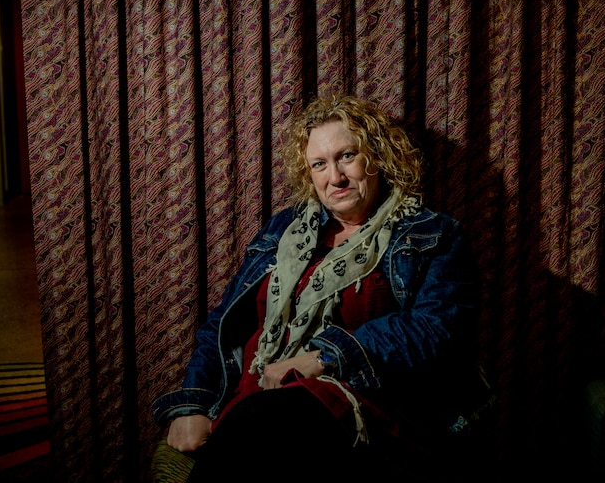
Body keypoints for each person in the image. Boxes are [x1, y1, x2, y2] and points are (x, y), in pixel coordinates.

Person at [151, 95, 485, 481]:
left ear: (378, 157)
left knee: (266, 421)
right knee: (262, 428)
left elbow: (437, 329)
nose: (335, 177)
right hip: (255, 399)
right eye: (319, 164)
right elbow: (224, 324)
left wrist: (324, 357)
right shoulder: (282, 231)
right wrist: (192, 404)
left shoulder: (431, 234)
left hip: (363, 405)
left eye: (347, 156)